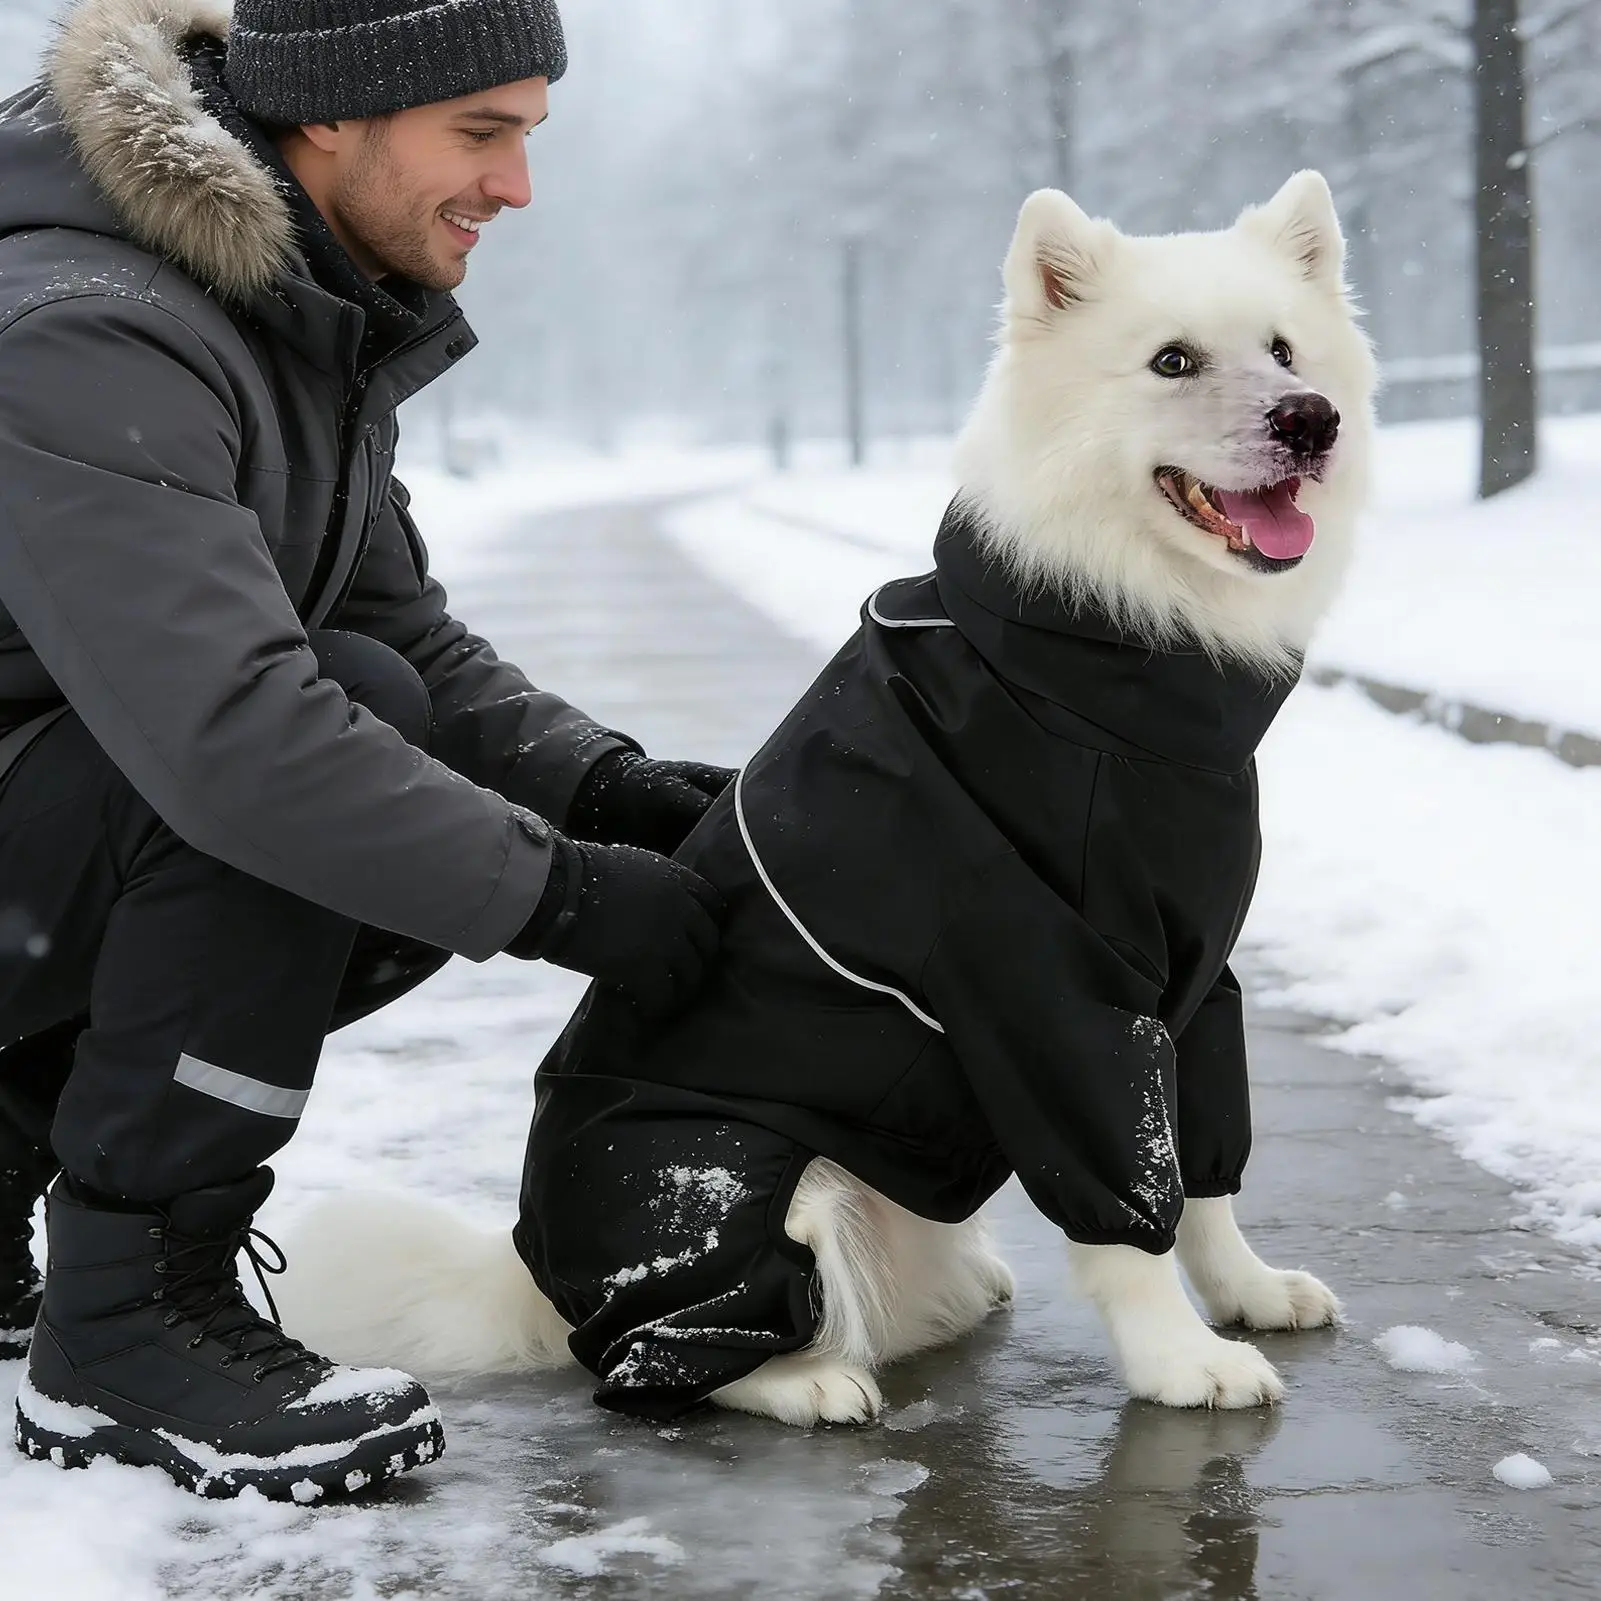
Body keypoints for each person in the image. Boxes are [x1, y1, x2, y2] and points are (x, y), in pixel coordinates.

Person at [0, 0, 732, 1500]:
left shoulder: (273, 303)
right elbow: (240, 737)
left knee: (383, 752)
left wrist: (613, 791)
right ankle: (128, 1324)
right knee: (301, 785)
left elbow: (408, 641)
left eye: (528, 135)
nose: (516, 187)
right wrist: (570, 901)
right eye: (482, 133)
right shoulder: (91, 326)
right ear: (330, 112)